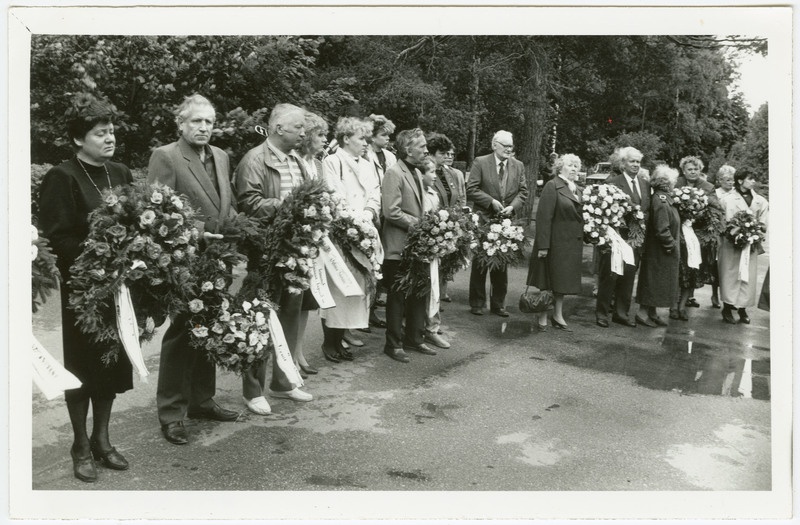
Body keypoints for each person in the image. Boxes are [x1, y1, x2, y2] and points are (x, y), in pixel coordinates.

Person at [39, 93, 133, 482]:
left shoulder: (122, 173)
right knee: (82, 367)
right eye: (100, 133)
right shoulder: (62, 177)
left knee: (111, 362)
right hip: (83, 291)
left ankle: (102, 439)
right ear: (79, 139)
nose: (109, 138)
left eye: (111, 131)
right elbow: (56, 238)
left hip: (119, 288)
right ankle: (79, 444)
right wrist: (102, 253)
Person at [147, 94, 240, 445]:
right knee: (181, 334)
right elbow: (156, 212)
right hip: (185, 259)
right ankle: (171, 412)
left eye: (209, 122)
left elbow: (224, 203)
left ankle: (202, 400)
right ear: (181, 124)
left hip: (219, 258)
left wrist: (238, 231)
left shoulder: (221, 156)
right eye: (196, 121)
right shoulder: (166, 156)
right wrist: (200, 232)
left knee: (210, 327)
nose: (203, 128)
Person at [234, 102, 314, 413]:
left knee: (290, 314)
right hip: (266, 250)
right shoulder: (254, 159)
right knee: (260, 318)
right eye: (298, 128)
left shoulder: (298, 159)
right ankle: (252, 390)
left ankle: (283, 382)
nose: (303, 133)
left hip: (296, 248)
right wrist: (288, 205)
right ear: (279, 128)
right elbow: (249, 204)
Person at [320, 117, 382, 361]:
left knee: (357, 291)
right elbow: (335, 196)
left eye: (367, 139)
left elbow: (374, 194)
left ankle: (341, 339)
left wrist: (367, 216)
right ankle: (329, 342)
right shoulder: (332, 162)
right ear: (346, 138)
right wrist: (353, 223)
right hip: (341, 234)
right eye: (361, 138)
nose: (366, 143)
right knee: (338, 290)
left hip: (364, 233)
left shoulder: (367, 165)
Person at [381, 128, 437, 363]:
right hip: (398, 246)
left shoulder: (415, 171)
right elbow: (391, 211)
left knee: (419, 293)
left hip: (417, 246)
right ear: (407, 149)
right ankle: (393, 345)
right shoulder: (394, 172)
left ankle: (415, 338)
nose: (426, 150)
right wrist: (421, 225)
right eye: (422, 146)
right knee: (398, 297)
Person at [465, 130, 529, 317]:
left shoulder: (518, 165)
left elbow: (523, 192)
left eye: (511, 146)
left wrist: (513, 207)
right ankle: (477, 302)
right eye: (505, 146)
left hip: (507, 220)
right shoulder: (481, 162)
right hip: (484, 218)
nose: (509, 149)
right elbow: (472, 189)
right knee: (480, 262)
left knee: (502, 262)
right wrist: (490, 201)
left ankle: (498, 303)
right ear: (494, 145)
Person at [526, 154, 584, 332]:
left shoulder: (578, 189)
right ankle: (543, 315)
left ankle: (558, 316)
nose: (574, 168)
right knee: (547, 281)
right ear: (560, 168)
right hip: (554, 243)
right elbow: (543, 218)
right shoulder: (552, 186)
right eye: (570, 165)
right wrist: (543, 246)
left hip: (571, 245)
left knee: (562, 282)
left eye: (576, 165)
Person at [595, 146, 651, 327]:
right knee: (610, 276)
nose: (635, 165)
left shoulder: (644, 183)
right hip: (617, 237)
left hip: (636, 239)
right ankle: (602, 313)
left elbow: (646, 210)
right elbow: (604, 210)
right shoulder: (613, 182)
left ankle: (621, 313)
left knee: (628, 277)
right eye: (632, 161)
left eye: (638, 162)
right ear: (623, 163)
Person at [292, 111, 329, 377]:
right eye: (320, 135)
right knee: (293, 300)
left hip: (313, 238)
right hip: (295, 238)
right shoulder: (293, 161)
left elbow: (325, 195)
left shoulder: (318, 164)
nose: (325, 140)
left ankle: (299, 352)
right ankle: (287, 356)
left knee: (307, 301)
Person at [717, 168, 768, 324]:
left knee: (747, 275)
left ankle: (743, 309)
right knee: (730, 274)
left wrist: (754, 232)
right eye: (750, 178)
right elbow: (721, 222)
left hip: (750, 244)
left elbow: (763, 222)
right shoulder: (727, 199)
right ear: (740, 181)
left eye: (754, 179)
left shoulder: (760, 201)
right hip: (730, 244)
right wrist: (733, 233)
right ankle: (727, 307)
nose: (753, 181)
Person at [635, 165, 681, 327]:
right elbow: (662, 229)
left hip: (662, 250)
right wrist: (671, 245)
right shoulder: (661, 201)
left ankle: (652, 312)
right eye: (672, 180)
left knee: (657, 281)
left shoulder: (665, 198)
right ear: (666, 182)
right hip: (660, 251)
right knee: (653, 280)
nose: (674, 183)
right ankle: (642, 313)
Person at [363, 114, 396, 330]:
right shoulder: (364, 155)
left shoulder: (389, 157)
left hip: (387, 212)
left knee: (380, 264)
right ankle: (362, 312)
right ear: (372, 136)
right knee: (368, 262)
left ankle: (372, 309)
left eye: (388, 135)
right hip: (371, 213)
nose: (387, 139)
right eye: (383, 135)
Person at [674, 156, 717, 311]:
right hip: (677, 231)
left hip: (696, 234)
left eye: (696, 169)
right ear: (683, 171)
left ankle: (682, 306)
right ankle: (673, 305)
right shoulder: (676, 183)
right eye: (689, 169)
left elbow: (714, 210)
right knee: (677, 270)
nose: (693, 172)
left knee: (691, 270)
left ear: (700, 170)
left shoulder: (707, 186)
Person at [709, 165, 737, 308]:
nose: (731, 183)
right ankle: (715, 294)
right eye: (727, 180)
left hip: (734, 234)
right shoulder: (715, 194)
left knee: (731, 267)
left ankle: (729, 297)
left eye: (732, 180)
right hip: (719, 233)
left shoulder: (737, 193)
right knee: (716, 266)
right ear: (719, 180)